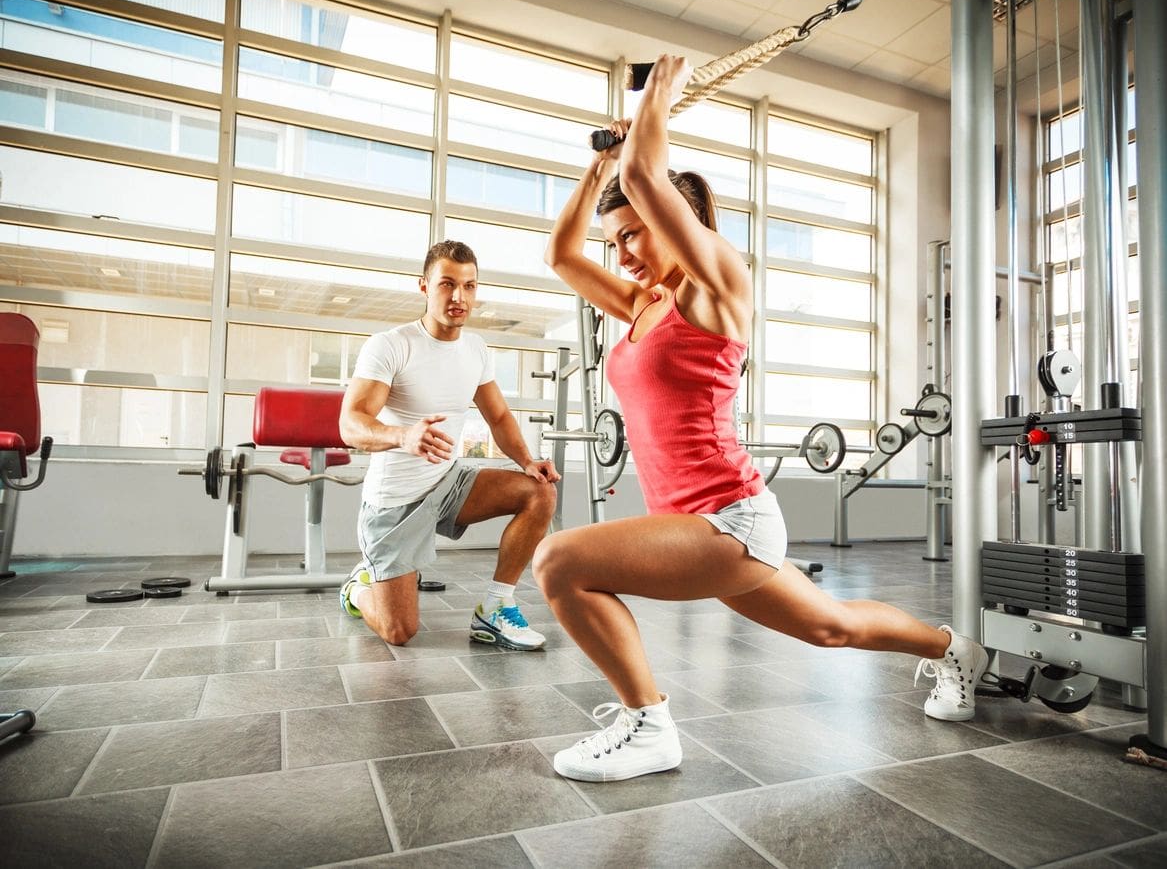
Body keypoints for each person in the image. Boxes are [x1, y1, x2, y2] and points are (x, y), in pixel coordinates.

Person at [535, 55, 988, 783]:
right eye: (614, 239)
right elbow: (560, 253)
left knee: (560, 560)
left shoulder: (717, 286)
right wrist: (600, 171)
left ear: (671, 223)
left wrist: (658, 100)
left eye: (634, 234)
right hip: (689, 528)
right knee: (828, 626)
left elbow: (652, 181)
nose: (621, 252)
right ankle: (954, 649)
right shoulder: (642, 306)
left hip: (725, 521)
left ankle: (646, 725)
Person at [338, 240, 559, 650]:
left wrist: (528, 460)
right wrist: (403, 436)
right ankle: (357, 588)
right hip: (396, 503)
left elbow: (498, 417)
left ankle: (495, 608)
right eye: (447, 284)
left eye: (470, 286)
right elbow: (351, 424)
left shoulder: (475, 349)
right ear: (424, 286)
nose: (459, 297)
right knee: (399, 632)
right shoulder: (391, 345)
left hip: (449, 483)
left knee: (540, 492)